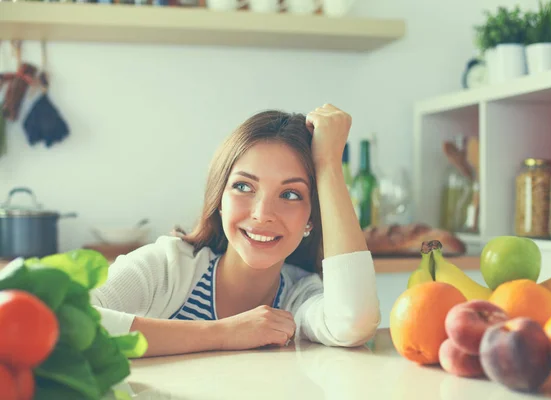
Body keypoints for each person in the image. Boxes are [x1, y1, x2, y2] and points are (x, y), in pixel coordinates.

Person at [90, 104, 381, 357]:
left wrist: (329, 164)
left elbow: (354, 322)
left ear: (311, 219)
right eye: (244, 187)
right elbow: (68, 320)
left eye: (291, 194)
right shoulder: (166, 267)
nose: (262, 214)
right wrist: (224, 333)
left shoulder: (299, 297)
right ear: (219, 199)